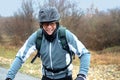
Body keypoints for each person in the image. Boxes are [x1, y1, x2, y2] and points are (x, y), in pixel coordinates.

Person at [5, 7, 91, 80]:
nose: (49, 27)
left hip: (65, 77)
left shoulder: (65, 35)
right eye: (46, 24)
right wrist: (9, 77)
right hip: (46, 77)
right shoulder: (37, 37)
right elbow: (20, 57)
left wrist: (82, 75)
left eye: (52, 23)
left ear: (56, 24)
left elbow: (85, 53)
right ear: (41, 25)